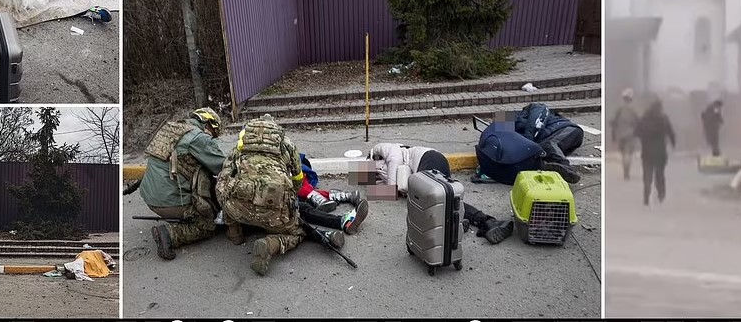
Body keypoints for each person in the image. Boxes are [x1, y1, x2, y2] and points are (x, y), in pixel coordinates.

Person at [217, 115, 340, 275]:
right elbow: (297, 181)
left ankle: (235, 234)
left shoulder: (239, 146)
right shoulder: (287, 144)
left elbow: (224, 178)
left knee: (224, 187)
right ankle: (270, 244)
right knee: (298, 233)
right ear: (274, 130)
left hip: (239, 210)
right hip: (274, 215)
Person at [370, 143, 514, 244]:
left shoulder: (379, 149)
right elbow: (392, 191)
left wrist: (390, 188)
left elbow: (394, 159)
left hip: (429, 159)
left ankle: (469, 222)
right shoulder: (378, 174)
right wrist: (373, 190)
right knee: (444, 201)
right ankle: (479, 222)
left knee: (438, 200)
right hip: (422, 172)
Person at [136, 108, 225, 260]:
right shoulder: (198, 138)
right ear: (209, 123)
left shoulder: (170, 129)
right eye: (214, 132)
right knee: (207, 225)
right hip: (170, 203)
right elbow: (221, 166)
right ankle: (170, 234)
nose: (213, 136)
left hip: (150, 197)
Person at [635, 99, 676, 206]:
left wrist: (644, 139)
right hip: (660, 153)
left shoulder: (644, 118)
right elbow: (671, 133)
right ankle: (661, 194)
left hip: (647, 152)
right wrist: (673, 144)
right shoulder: (663, 119)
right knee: (660, 175)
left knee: (647, 176)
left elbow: (637, 132)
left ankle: (646, 197)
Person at [610, 88, 639, 180]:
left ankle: (625, 172)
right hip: (631, 134)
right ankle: (627, 173)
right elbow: (638, 122)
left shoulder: (619, 109)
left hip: (621, 134)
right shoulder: (634, 109)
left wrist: (614, 135)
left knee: (623, 154)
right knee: (628, 154)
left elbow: (613, 122)